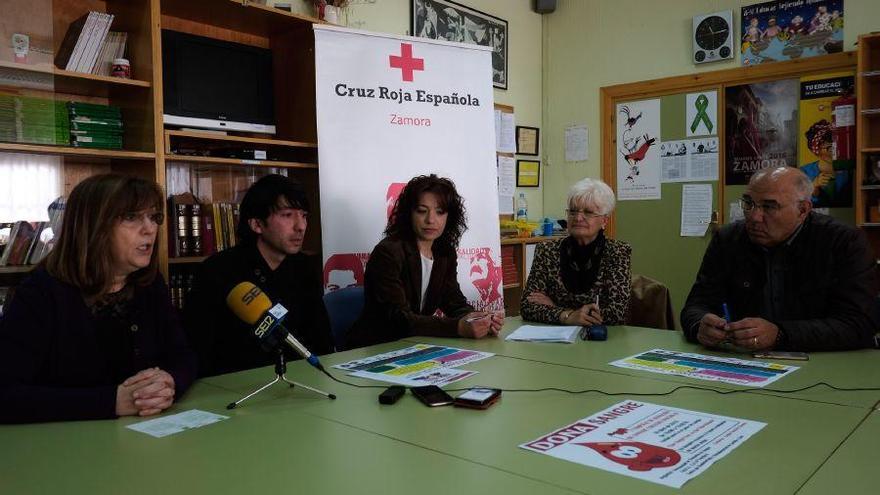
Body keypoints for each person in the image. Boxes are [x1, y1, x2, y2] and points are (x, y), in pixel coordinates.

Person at [0, 174, 196, 423]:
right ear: (93, 226)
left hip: (142, 435)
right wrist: (111, 401)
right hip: (63, 446)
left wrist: (169, 381)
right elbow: (5, 395)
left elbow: (183, 355)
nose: (150, 229)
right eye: (131, 217)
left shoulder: (148, 283)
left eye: (154, 217)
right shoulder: (41, 292)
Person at [681, 166, 878, 352]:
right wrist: (700, 325)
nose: (754, 216)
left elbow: (859, 324)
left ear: (803, 210)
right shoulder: (727, 240)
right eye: (748, 204)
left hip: (827, 362)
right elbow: (695, 306)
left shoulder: (844, 242)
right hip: (745, 362)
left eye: (769, 206)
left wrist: (780, 334)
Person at [184, 174, 333, 377]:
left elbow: (321, 341)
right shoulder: (219, 271)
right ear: (256, 224)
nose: (301, 226)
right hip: (235, 388)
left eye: (304, 215)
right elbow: (198, 351)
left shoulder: (303, 267)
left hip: (300, 382)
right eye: (287, 215)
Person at [346, 174, 503, 349]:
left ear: (449, 217)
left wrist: (479, 319)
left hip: (415, 346)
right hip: (376, 346)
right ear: (409, 214)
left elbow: (453, 301)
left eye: (440, 212)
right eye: (422, 211)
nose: (431, 220)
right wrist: (458, 327)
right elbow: (398, 319)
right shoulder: (388, 252)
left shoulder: (444, 252)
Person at [521, 178, 632, 327]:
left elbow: (616, 313)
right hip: (554, 341)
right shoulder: (546, 251)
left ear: (604, 221)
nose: (578, 218)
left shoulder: (617, 252)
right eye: (573, 211)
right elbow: (527, 306)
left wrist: (558, 310)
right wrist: (568, 316)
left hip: (600, 343)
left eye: (588, 212)